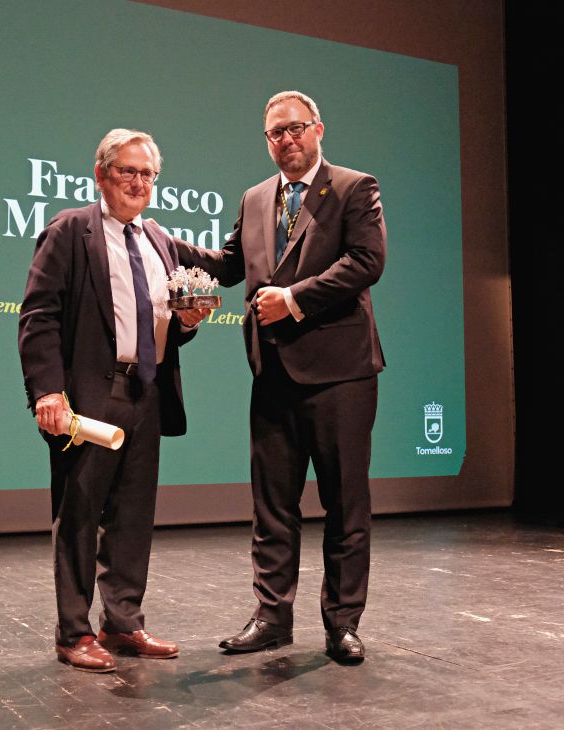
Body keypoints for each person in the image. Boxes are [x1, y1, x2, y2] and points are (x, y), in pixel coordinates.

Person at [175, 90, 386, 664]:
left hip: (341, 374)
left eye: (295, 129)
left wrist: (293, 300)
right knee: (272, 507)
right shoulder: (255, 197)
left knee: (345, 505)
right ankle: (272, 617)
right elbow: (229, 263)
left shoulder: (352, 187)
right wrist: (165, 242)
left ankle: (342, 623)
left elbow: (368, 262)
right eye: (275, 133)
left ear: (318, 128)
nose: (286, 140)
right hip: (271, 373)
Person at [18, 129, 210, 672]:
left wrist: (188, 323)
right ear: (101, 174)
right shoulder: (70, 230)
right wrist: (47, 391)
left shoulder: (158, 240)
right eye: (127, 171)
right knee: (79, 514)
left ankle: (123, 622)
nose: (138, 183)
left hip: (145, 392)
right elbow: (39, 317)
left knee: (132, 515)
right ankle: (73, 632)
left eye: (147, 174)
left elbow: (161, 322)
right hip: (88, 398)